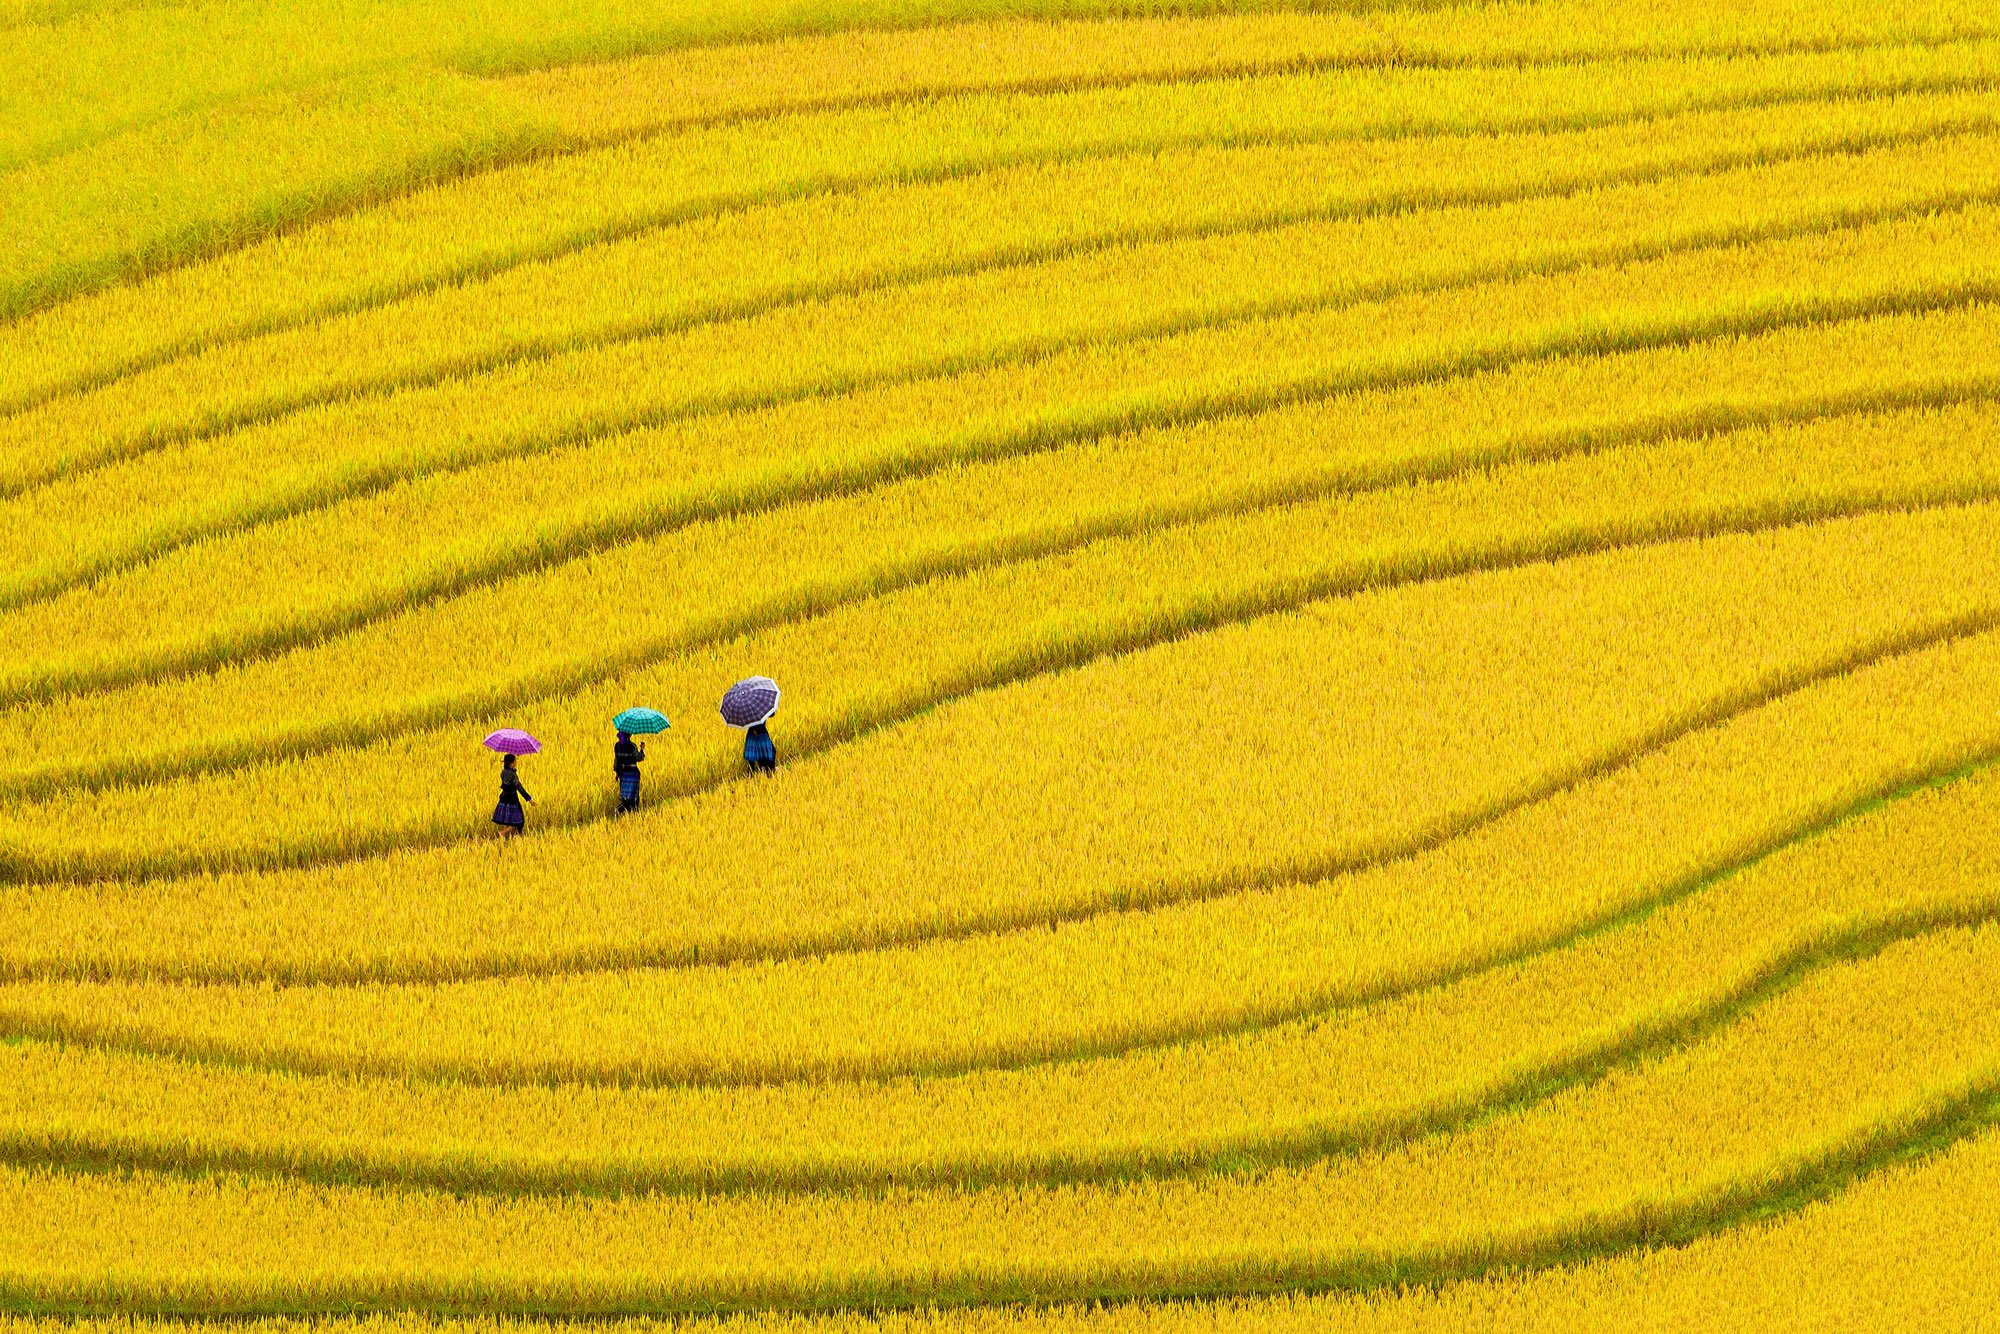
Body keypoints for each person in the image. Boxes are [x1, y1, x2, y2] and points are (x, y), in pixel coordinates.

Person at [493, 753, 533, 834]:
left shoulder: (503, 772)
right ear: (512, 763)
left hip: (504, 797)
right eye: (515, 761)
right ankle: (502, 833)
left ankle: (513, 838)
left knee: (509, 820)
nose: (516, 762)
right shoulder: (512, 774)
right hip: (512, 799)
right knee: (518, 821)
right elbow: (519, 787)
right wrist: (529, 799)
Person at [614, 729, 646, 812]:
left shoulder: (617, 746)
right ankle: (623, 811)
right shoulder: (632, 746)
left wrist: (617, 773)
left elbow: (617, 760)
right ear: (629, 735)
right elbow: (639, 758)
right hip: (633, 773)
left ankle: (624, 811)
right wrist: (642, 749)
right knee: (634, 797)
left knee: (625, 796)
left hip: (623, 773)